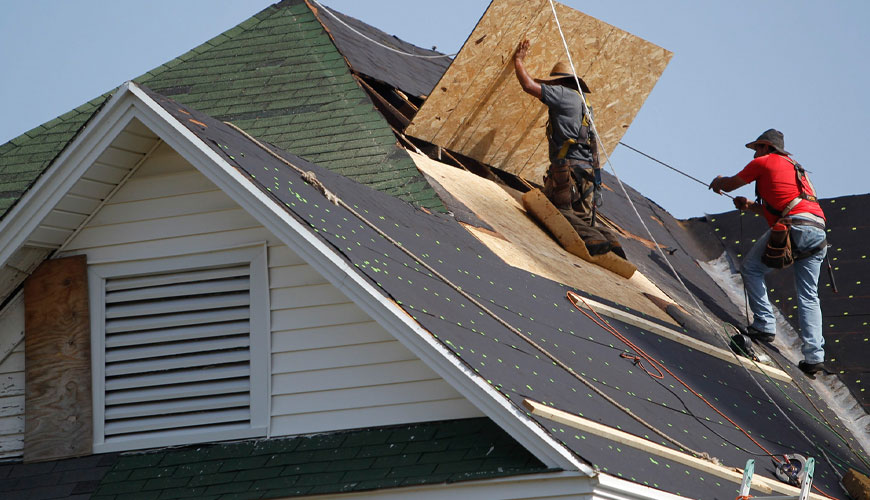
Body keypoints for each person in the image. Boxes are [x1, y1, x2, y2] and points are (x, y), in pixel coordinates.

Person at [709, 129, 828, 376]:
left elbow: (732, 183)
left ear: (765, 147)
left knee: (751, 267)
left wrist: (719, 183)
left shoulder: (764, 162)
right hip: (817, 231)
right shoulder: (796, 169)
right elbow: (784, 204)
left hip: (795, 225)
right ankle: (814, 357)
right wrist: (750, 205)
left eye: (756, 149)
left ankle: (763, 325)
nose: (754, 154)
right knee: (809, 295)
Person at [513, 39, 624, 258]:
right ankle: (610, 240)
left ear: (561, 83)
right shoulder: (584, 104)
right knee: (582, 218)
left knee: (557, 212)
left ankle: (593, 240)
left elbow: (528, 86)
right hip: (588, 174)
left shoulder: (562, 95)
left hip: (568, 171)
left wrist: (518, 61)